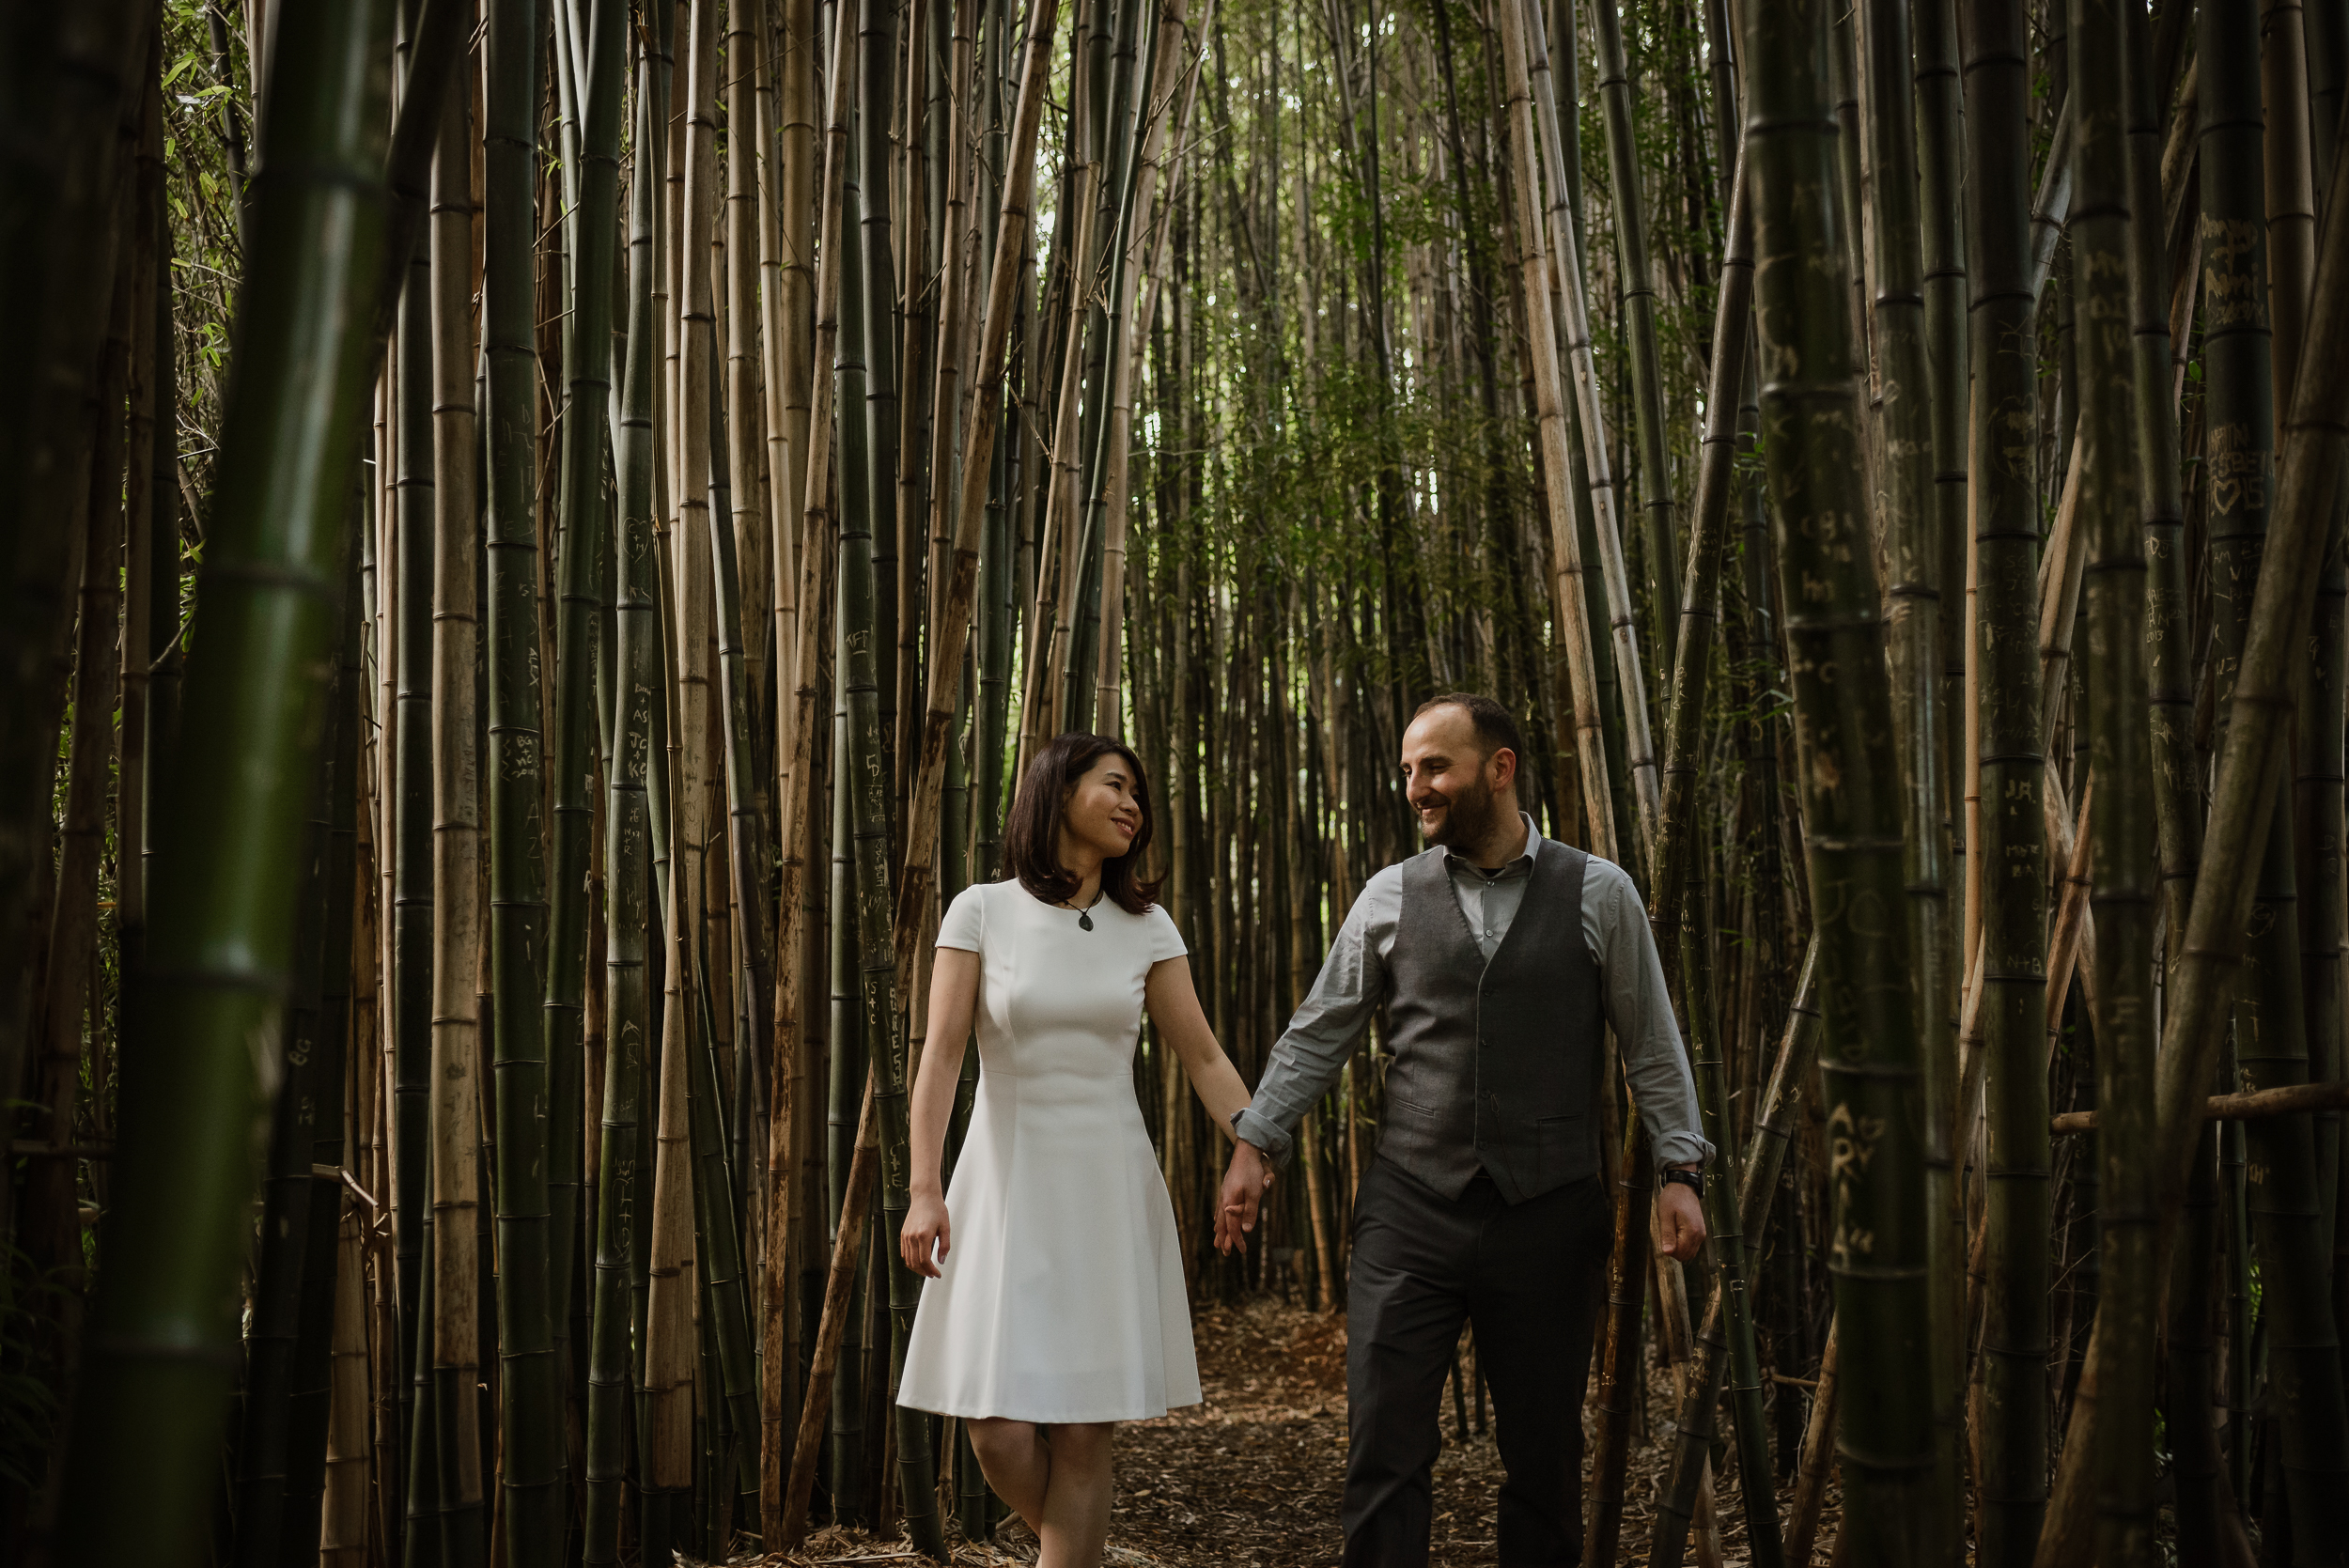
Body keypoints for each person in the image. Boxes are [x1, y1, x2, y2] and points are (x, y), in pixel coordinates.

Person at [1216, 692, 1712, 1568]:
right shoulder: (1388, 896)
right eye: (1409, 770)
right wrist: (1257, 1142)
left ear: (1501, 767)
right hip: (1410, 1212)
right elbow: (1320, 1030)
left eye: (1435, 766)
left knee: (1546, 1465)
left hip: (1550, 1214)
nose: (1417, 787)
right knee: (1383, 1456)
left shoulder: (1600, 892)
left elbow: (1653, 1044)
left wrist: (1680, 1166)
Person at [896, 732, 1262, 1568]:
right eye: (1115, 784)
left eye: (1140, 791)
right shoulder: (981, 909)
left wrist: (1253, 1147)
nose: (1134, 802)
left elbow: (1203, 1055)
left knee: (1084, 1429)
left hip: (1106, 1187)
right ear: (1058, 792)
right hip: (1005, 1186)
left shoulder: (1146, 924)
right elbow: (942, 1056)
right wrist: (924, 1188)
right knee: (995, 1430)